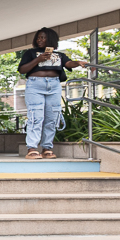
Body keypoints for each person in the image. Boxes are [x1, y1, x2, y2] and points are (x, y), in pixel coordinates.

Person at [18, 28, 88, 160]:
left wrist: (78, 63)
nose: (39, 40)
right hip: (35, 85)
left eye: (43, 37)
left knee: (52, 117)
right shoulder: (31, 53)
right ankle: (32, 148)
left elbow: (68, 63)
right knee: (35, 116)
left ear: (50, 39)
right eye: (38, 38)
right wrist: (38, 60)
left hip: (54, 85)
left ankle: (47, 148)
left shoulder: (59, 55)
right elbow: (22, 70)